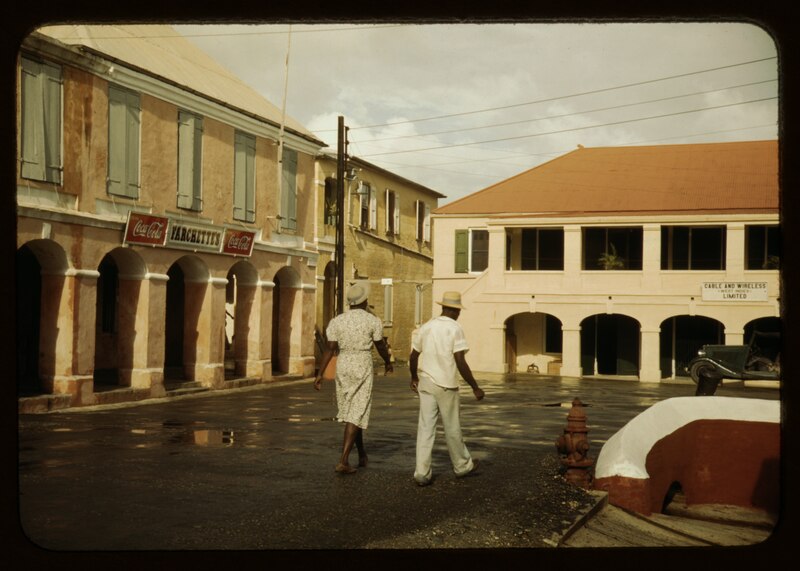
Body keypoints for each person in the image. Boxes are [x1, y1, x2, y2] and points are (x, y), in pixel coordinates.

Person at [314, 283, 393, 474]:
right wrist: (388, 362)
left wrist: (320, 374)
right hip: (362, 363)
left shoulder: (337, 321)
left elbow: (330, 349)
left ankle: (362, 454)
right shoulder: (372, 320)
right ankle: (343, 460)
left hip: (344, 364)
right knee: (357, 411)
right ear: (364, 301)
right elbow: (380, 345)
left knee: (353, 411)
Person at [409, 291, 484, 487]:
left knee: (425, 428)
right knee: (452, 427)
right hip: (446, 384)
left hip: (426, 381)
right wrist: (475, 386)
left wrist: (414, 377)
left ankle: (422, 473)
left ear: (443, 307)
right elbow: (460, 360)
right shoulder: (455, 328)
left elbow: (413, 356)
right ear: (455, 310)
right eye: (458, 310)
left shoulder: (427, 326)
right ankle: (462, 465)